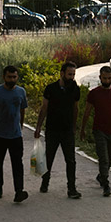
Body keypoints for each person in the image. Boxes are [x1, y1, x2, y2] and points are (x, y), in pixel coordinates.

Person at [80, 66, 111, 197]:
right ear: (100, 78)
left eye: (109, 78)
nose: (107, 81)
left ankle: (101, 176)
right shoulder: (94, 93)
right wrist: (82, 128)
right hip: (99, 130)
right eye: (104, 78)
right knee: (103, 157)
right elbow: (87, 111)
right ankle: (106, 184)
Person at [0, 65, 29, 203]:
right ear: (4, 77)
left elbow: (22, 110)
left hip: (15, 136)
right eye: (9, 77)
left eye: (14, 77)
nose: (12, 80)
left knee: (17, 164)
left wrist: (20, 126)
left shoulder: (21, 92)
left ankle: (19, 191)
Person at [35, 61, 82, 199]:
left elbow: (75, 109)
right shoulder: (50, 89)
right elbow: (44, 108)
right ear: (62, 73)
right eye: (69, 74)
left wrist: (74, 127)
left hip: (67, 131)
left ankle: (72, 188)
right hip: (52, 130)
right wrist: (38, 127)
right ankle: (45, 182)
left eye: (73, 74)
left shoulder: (75, 89)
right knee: (49, 158)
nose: (71, 77)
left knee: (71, 160)